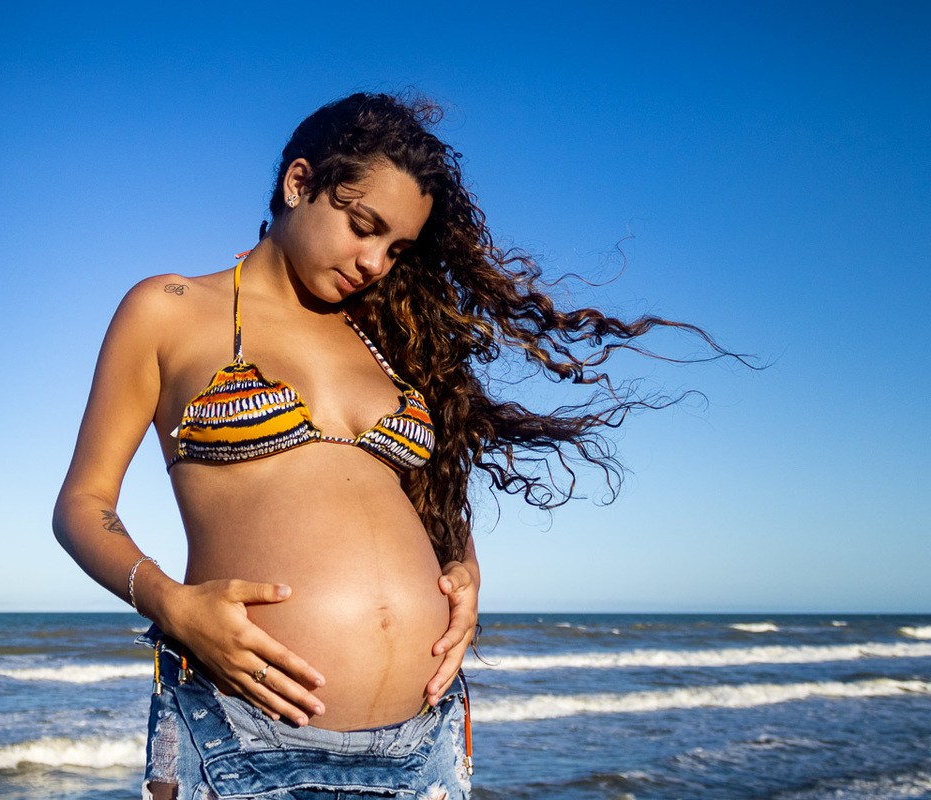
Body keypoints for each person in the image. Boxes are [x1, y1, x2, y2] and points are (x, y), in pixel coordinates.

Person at [53, 92, 736, 800]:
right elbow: (83, 504)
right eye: (363, 226)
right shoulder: (169, 310)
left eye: (397, 248)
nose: (375, 262)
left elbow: (430, 499)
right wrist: (171, 604)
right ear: (299, 183)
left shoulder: (388, 339)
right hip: (243, 733)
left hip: (425, 745)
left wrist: (467, 573)